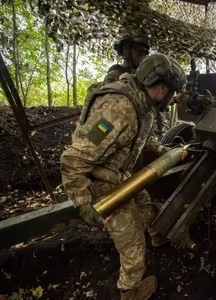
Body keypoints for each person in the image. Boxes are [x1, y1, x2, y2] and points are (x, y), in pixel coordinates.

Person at [60, 53, 187, 300]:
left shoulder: (142, 104)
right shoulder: (120, 108)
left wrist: (163, 149)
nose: (171, 98)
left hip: (121, 176)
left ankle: (158, 236)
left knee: (146, 205)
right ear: (162, 88)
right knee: (133, 246)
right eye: (171, 93)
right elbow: (74, 158)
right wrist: (83, 202)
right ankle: (129, 291)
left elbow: (139, 138)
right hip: (102, 185)